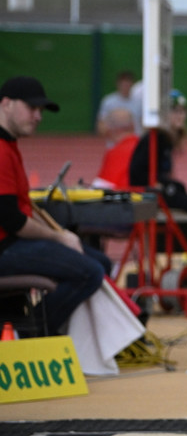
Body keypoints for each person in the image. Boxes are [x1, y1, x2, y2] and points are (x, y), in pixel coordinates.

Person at [0, 76, 109, 334]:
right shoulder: (1, 150)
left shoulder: (9, 145)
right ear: (6, 103)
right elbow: (12, 220)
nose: (38, 116)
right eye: (31, 108)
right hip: (5, 248)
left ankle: (50, 332)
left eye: (41, 110)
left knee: (101, 263)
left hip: (11, 243)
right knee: (90, 272)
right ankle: (29, 334)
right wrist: (59, 237)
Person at [129, 90, 187, 274]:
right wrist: (162, 186)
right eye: (175, 111)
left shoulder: (166, 139)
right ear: (164, 114)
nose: (181, 115)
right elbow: (136, 173)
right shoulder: (155, 138)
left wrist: (171, 185)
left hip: (157, 195)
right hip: (148, 199)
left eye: (183, 111)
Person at [92, 107, 138, 190]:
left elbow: (101, 187)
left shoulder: (117, 152)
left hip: (126, 195)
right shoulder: (143, 147)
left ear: (110, 129)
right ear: (133, 126)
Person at [96, 70, 142, 139]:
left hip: (135, 141)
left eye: (128, 83)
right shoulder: (109, 101)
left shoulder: (139, 102)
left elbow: (143, 124)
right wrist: (114, 136)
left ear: (132, 84)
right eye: (123, 84)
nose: (125, 86)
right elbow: (101, 124)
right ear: (118, 84)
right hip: (115, 142)